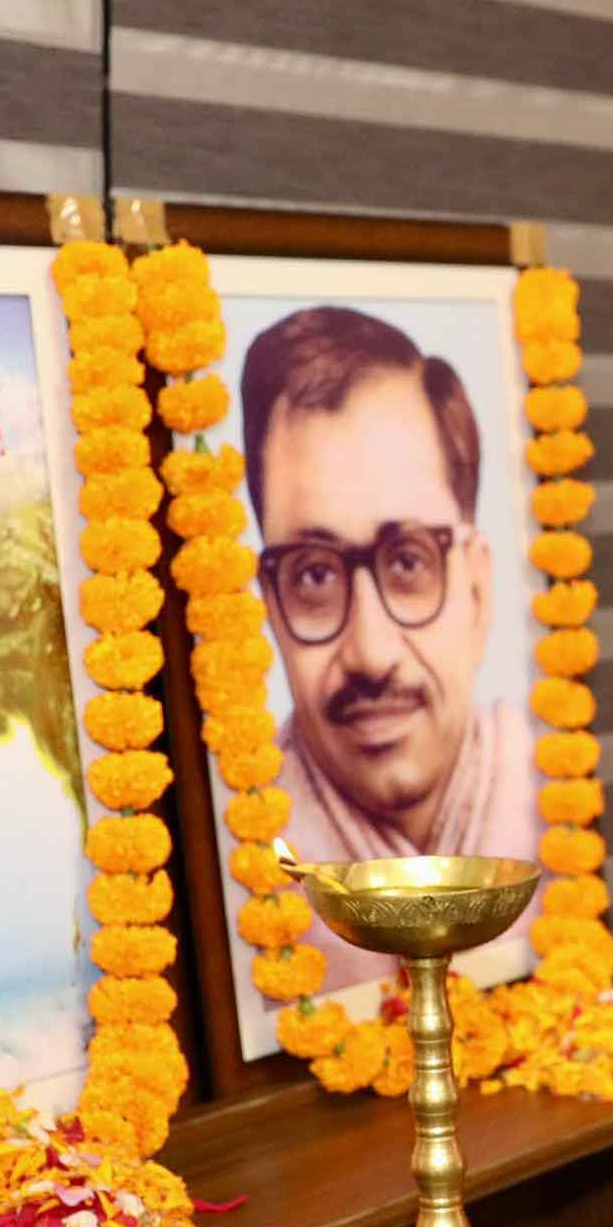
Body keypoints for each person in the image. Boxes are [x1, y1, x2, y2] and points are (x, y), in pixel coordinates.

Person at [240, 304, 538, 997]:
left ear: (476, 589)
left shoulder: (558, 800)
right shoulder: (237, 865)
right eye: (313, 574)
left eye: (408, 562)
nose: (370, 653)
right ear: (270, 607)